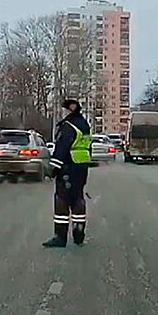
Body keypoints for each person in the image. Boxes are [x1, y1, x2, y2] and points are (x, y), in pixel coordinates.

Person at [42, 99, 92, 247]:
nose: (62, 113)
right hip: (81, 167)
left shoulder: (68, 126)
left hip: (68, 168)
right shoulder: (84, 125)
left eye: (64, 110)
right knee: (78, 199)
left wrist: (53, 169)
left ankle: (60, 237)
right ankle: (78, 233)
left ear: (69, 110)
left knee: (61, 201)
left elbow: (62, 148)